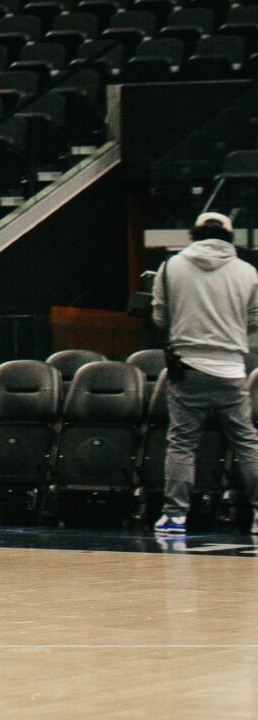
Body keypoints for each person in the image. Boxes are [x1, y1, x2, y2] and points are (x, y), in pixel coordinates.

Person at [148, 210, 258, 536]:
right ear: (229, 236)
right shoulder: (248, 271)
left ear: (193, 234)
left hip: (188, 367)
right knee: (247, 443)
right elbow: (254, 320)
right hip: (231, 369)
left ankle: (175, 516)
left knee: (182, 443)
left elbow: (159, 317)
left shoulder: (171, 266)